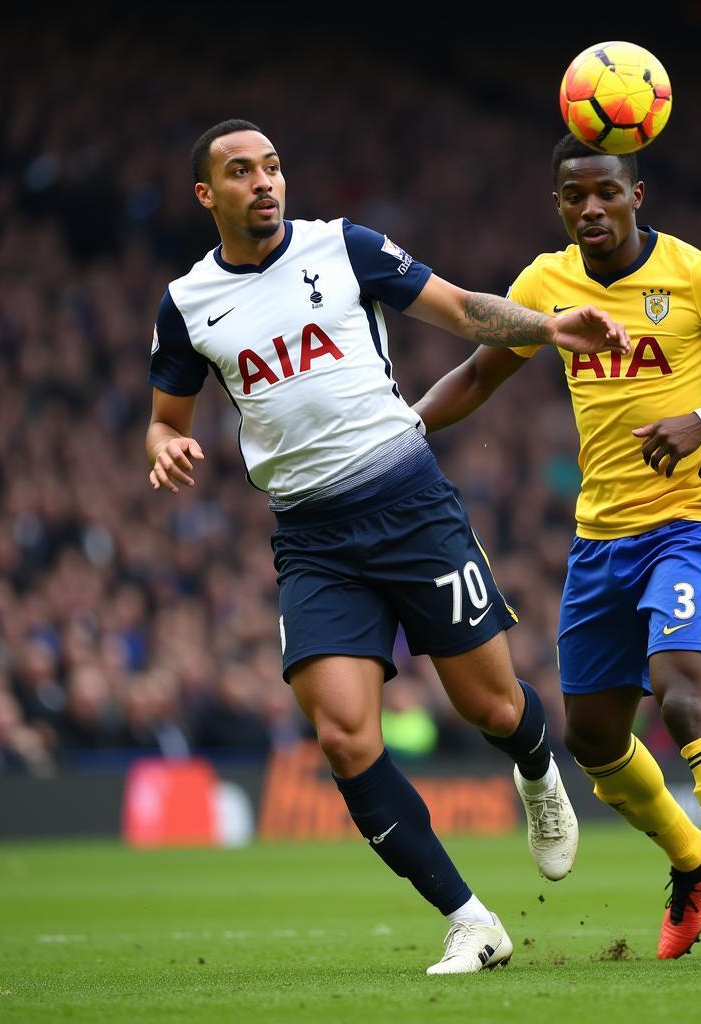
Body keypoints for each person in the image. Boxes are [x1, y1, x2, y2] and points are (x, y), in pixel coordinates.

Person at [145, 120, 631, 976]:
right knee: (343, 738)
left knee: (490, 709)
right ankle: (470, 920)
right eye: (241, 172)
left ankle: (536, 770)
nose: (264, 182)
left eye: (273, 166)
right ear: (205, 195)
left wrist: (550, 326)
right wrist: (161, 445)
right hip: (311, 536)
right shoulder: (186, 305)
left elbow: (461, 309)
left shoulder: (345, 248)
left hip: (408, 503)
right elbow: (165, 416)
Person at [413, 134, 701, 971]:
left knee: (682, 699)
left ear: (640, 195)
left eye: (606, 192)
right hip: (600, 538)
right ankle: (692, 858)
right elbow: (481, 376)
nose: (591, 208)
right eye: (575, 197)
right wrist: (400, 428)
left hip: (691, 522)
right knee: (592, 738)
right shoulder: (542, 284)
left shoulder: (700, 275)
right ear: (558, 204)